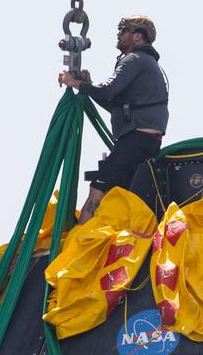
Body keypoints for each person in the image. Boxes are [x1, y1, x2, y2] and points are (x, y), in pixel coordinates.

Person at [59, 15, 169, 223]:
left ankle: (80, 235)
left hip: (135, 139)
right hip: (146, 141)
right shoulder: (148, 64)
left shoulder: (134, 59)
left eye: (123, 31)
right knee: (118, 189)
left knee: (98, 187)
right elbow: (114, 106)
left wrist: (75, 83)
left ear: (137, 37)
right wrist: (88, 85)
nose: (118, 35)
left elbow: (108, 89)